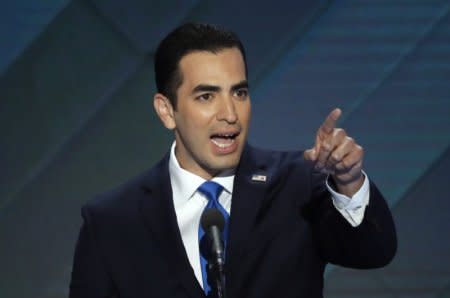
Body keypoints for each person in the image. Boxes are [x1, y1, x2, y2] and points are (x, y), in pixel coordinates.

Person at [69, 23, 396, 298]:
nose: (229, 115)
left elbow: (372, 251)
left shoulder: (296, 184)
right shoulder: (112, 222)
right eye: (206, 96)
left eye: (239, 93)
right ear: (166, 110)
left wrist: (349, 182)